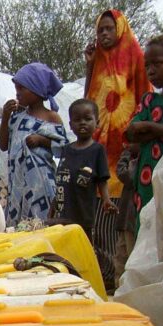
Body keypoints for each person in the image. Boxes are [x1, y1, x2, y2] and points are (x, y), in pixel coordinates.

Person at [84, 9, 151, 289]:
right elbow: (87, 101)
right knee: (99, 215)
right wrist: (88, 67)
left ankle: (120, 278)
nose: (104, 34)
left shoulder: (135, 56)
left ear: (120, 29)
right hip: (100, 149)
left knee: (121, 217)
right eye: (100, 30)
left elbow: (144, 96)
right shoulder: (97, 60)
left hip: (125, 150)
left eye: (109, 29)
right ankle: (104, 276)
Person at [0, 62, 69, 227]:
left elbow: (64, 148)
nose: (17, 94)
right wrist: (5, 116)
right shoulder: (16, 118)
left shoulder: (52, 117)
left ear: (37, 89)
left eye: (21, 89)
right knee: (18, 231)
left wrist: (42, 140)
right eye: (16, 88)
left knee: (41, 226)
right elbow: (3, 145)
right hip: (17, 187)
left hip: (42, 185)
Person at [50, 99, 117, 239]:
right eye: (77, 119)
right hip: (63, 214)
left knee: (82, 246)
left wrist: (106, 200)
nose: (82, 123)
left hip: (83, 214)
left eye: (88, 119)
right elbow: (62, 180)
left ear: (97, 123)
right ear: (70, 125)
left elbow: (102, 179)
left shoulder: (97, 150)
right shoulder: (66, 150)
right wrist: (52, 208)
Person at [125, 33, 163, 232]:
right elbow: (132, 133)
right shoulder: (149, 100)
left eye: (157, 64)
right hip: (147, 179)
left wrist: (150, 127)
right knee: (148, 230)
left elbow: (141, 129)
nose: (150, 71)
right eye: (147, 66)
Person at [114, 144, 138, 285]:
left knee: (131, 256)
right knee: (120, 256)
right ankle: (119, 289)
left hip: (132, 219)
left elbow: (128, 176)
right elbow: (122, 173)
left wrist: (129, 155)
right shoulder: (132, 156)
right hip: (125, 218)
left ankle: (128, 290)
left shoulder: (143, 161)